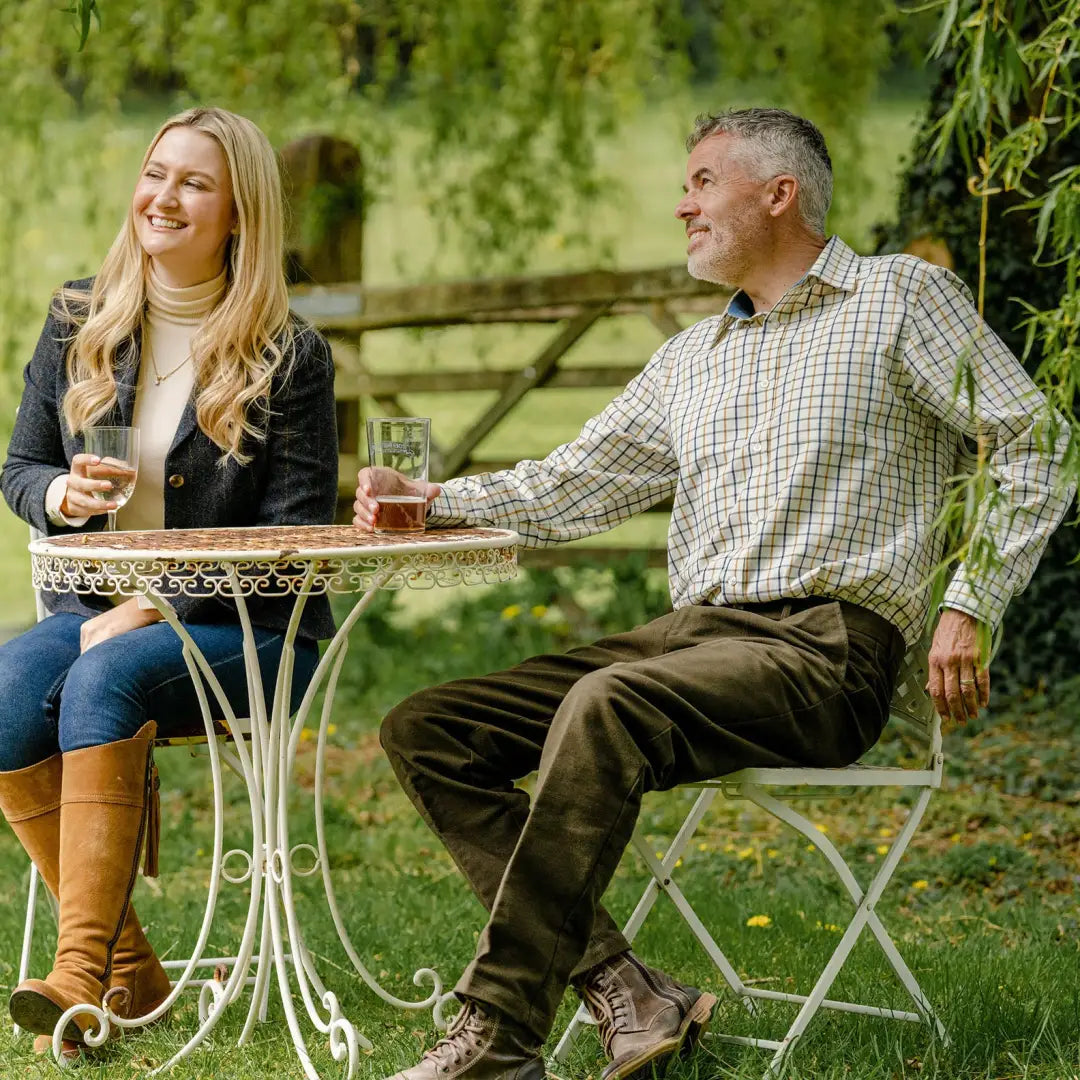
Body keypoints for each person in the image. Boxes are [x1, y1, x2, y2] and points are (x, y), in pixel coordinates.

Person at [352, 108, 1074, 1080]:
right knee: (427, 727)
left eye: (701, 181)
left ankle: (501, 1035)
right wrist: (433, 499)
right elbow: (570, 483)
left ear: (779, 193)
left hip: (827, 651)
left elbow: (1042, 441)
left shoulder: (903, 298)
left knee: (606, 703)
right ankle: (626, 992)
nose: (680, 203)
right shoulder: (690, 359)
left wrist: (970, 601)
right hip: (690, 643)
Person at [0, 106, 338, 1057]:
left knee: (106, 677)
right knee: (4, 697)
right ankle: (132, 977)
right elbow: (19, 467)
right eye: (158, 173)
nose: (165, 197)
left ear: (240, 213)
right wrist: (60, 491)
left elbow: (295, 535)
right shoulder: (81, 316)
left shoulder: (289, 353)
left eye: (195, 182)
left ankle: (77, 976)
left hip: (252, 631)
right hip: (99, 615)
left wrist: (160, 605)